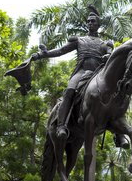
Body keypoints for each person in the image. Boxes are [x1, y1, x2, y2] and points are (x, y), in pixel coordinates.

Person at [32, 8, 113, 139]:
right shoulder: (79, 40)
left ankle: (117, 132)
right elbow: (60, 51)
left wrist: (107, 56)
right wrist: (44, 54)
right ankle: (61, 126)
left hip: (97, 74)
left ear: (98, 24)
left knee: (115, 93)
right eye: (88, 21)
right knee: (69, 91)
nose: (90, 23)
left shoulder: (105, 43)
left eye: (93, 21)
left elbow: (111, 54)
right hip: (81, 71)